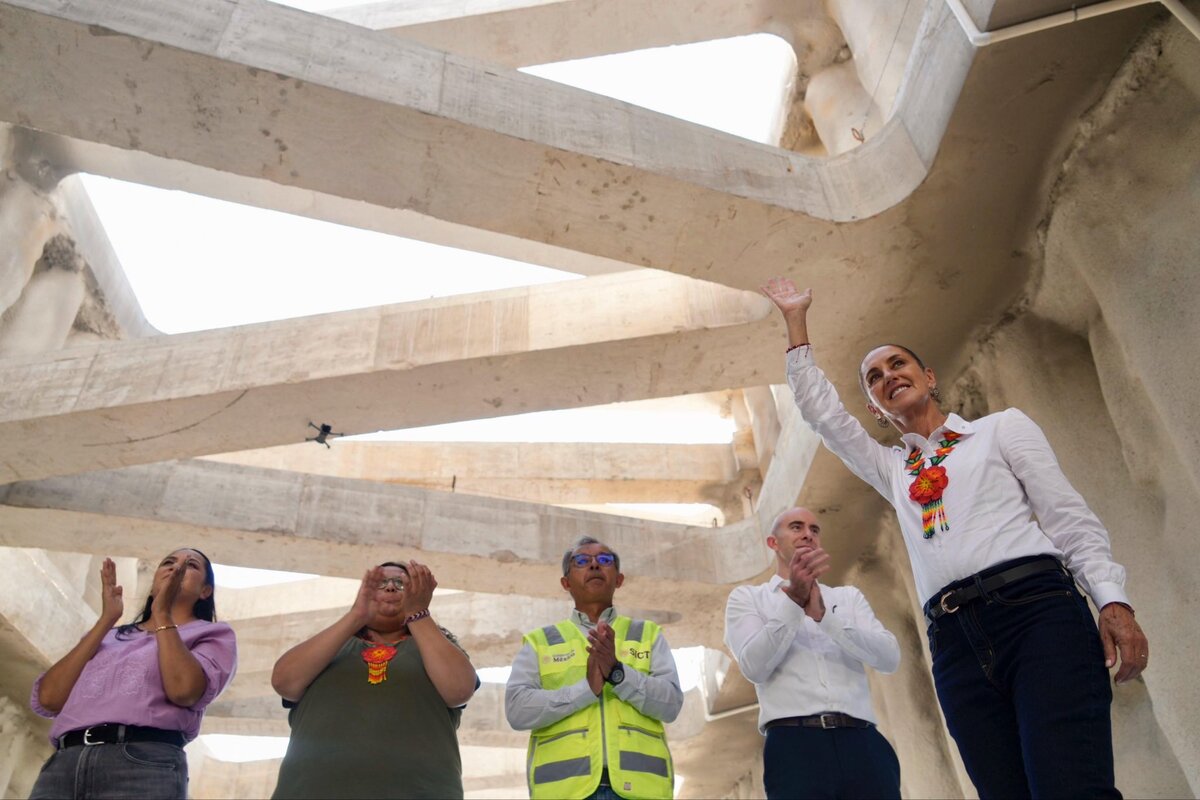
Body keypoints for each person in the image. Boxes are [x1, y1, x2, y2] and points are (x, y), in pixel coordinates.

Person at [760, 277, 1149, 799]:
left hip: (1037, 614)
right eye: (873, 377)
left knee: (1070, 786)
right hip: (953, 642)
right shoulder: (893, 469)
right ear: (875, 407)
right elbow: (823, 416)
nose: (887, 376)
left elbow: (1067, 517)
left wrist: (1112, 600)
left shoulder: (1001, 429)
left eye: (897, 364)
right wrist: (795, 321)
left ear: (928, 376)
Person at [29, 548, 237, 800]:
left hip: (144, 765)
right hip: (65, 764)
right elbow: (49, 698)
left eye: (190, 565)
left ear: (205, 592)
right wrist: (106, 620)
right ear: (152, 586)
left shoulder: (212, 634)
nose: (175, 568)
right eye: (168, 562)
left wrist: (162, 614)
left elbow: (184, 691)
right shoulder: (108, 635)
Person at [725, 507, 901, 799]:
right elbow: (754, 667)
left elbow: (889, 658)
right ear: (773, 543)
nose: (808, 533)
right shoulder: (747, 599)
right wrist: (793, 601)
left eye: (815, 529)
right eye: (796, 527)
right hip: (794, 746)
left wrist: (825, 618)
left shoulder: (847, 597)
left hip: (862, 741)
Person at [270, 560, 478, 799]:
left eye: (401, 584)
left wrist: (418, 615)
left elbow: (459, 690)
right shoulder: (330, 647)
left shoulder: (436, 649)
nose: (390, 588)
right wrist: (356, 616)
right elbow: (284, 682)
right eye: (381, 583)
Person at [505, 536, 683, 800]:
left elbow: (671, 705)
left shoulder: (647, 633)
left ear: (619, 579)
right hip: (564, 793)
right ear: (565, 583)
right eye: (582, 561)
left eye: (604, 560)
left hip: (642, 792)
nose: (594, 566)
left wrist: (618, 675)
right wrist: (586, 690)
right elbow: (517, 711)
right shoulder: (540, 641)